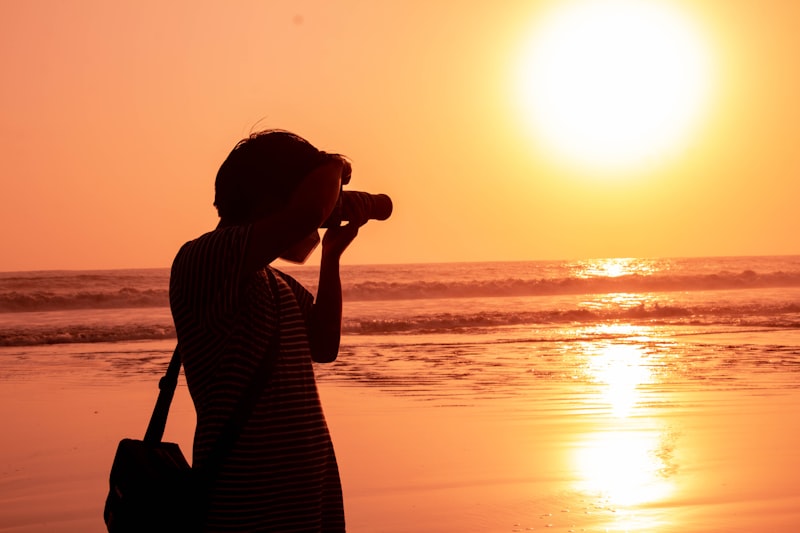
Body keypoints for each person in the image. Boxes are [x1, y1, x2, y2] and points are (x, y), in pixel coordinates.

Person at [169, 129, 367, 531]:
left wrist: (331, 256)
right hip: (243, 508)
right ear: (271, 196)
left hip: (308, 501)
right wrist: (334, 166)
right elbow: (308, 212)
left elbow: (324, 345)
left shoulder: (273, 280)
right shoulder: (205, 257)